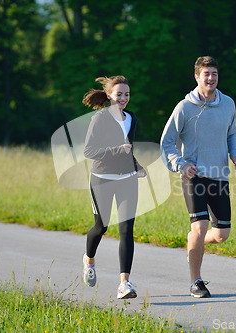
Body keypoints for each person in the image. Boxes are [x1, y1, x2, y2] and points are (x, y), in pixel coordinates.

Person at [160, 56, 236, 298]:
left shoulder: (228, 104)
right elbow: (166, 142)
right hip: (193, 174)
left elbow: (232, 133)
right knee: (200, 226)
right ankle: (195, 282)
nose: (211, 78)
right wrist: (180, 165)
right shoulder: (184, 107)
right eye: (206, 74)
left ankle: (193, 241)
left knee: (220, 235)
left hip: (219, 175)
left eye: (214, 74)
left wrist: (234, 154)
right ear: (197, 77)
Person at [81, 75, 146, 299]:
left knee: (127, 230)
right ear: (109, 95)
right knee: (101, 226)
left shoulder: (132, 118)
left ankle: (124, 284)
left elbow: (129, 147)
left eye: (127, 94)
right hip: (102, 178)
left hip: (127, 178)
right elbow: (89, 151)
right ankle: (89, 261)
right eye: (119, 94)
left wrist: (136, 165)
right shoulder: (99, 119)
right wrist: (117, 150)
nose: (124, 98)